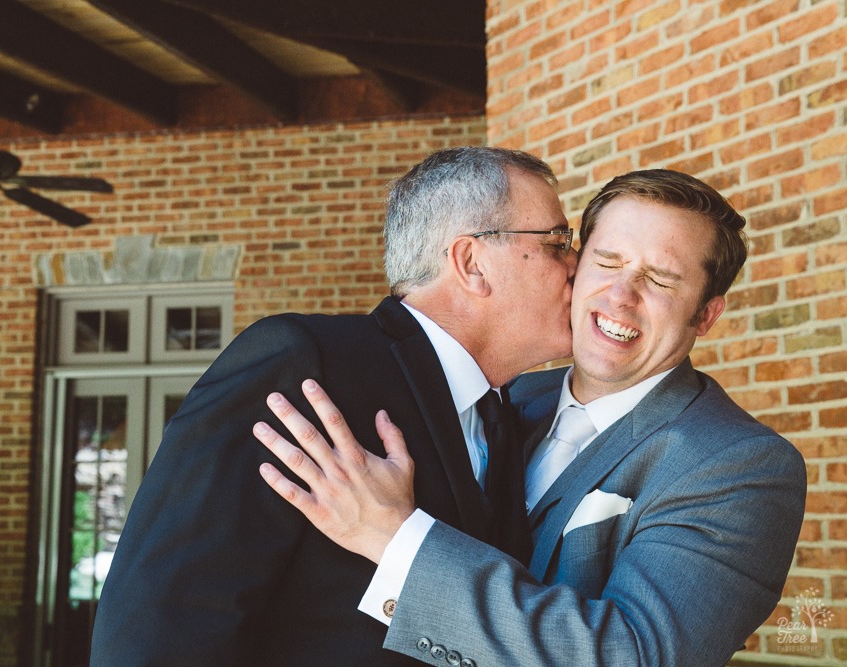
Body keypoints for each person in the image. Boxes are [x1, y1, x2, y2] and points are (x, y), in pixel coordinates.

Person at [254, 169, 807, 667]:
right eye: (606, 261)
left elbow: (634, 655)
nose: (620, 295)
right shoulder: (505, 400)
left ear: (706, 314)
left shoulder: (741, 464)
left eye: (660, 280)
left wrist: (396, 538)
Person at [89, 146, 579, 665]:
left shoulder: (503, 415)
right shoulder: (305, 364)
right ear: (471, 262)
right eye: (557, 243)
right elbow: (159, 626)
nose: (578, 265)